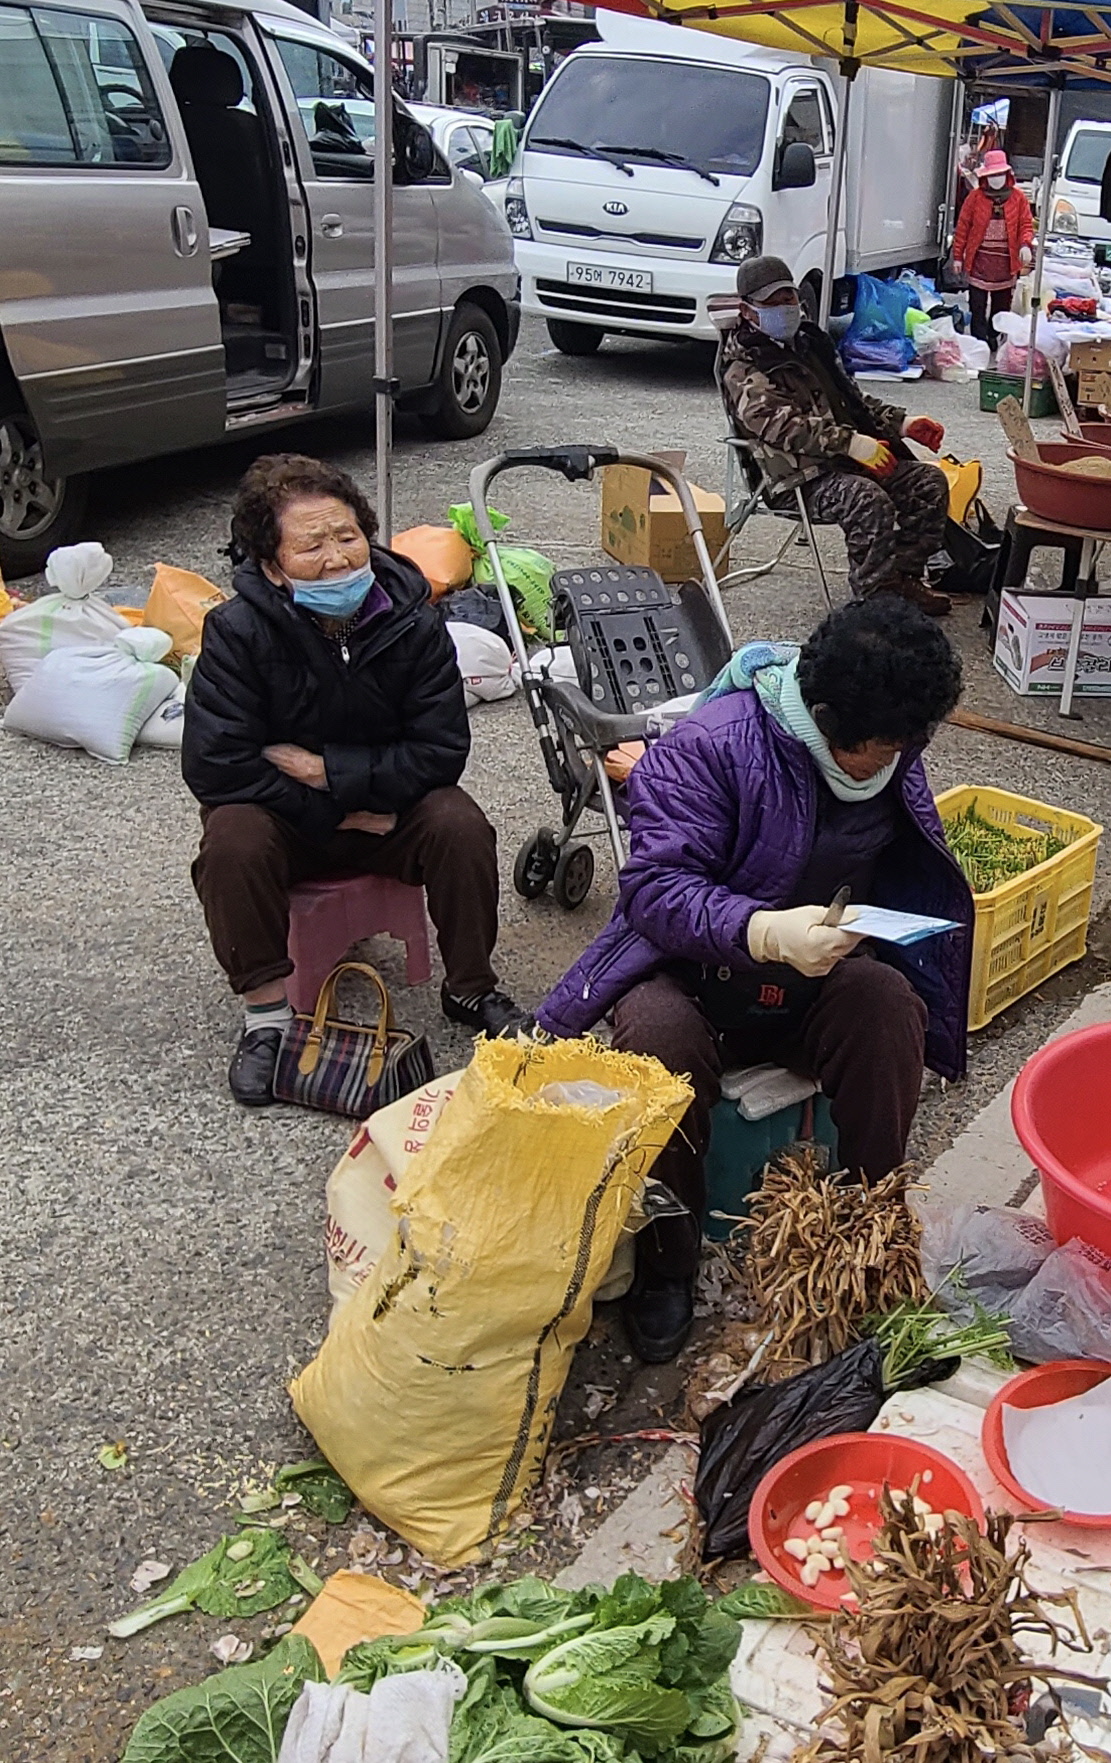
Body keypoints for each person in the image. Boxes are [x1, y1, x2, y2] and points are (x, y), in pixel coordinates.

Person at [535, 597, 971, 1362]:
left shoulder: (889, 742)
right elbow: (654, 890)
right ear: (827, 717)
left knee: (887, 1005)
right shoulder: (711, 745)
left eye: (913, 741)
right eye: (886, 745)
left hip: (811, 978)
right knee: (657, 1040)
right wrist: (761, 930)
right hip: (693, 973)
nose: (902, 757)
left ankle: (869, 1229)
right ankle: (667, 1263)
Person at [184, 454, 527, 1106]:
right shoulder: (237, 631)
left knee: (458, 822)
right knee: (230, 838)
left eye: (346, 536)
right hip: (296, 819)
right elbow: (216, 764)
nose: (337, 558)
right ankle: (266, 1019)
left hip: (387, 813)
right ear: (270, 563)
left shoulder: (412, 619)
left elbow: (441, 751)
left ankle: (471, 987)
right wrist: (335, 812)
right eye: (310, 545)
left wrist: (326, 771)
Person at [715, 255, 953, 616]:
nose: (785, 307)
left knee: (928, 481)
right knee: (865, 497)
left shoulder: (811, 345)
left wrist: (903, 423)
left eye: (788, 298)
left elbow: (852, 402)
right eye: (772, 302)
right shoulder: (743, 366)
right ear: (748, 311)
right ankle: (875, 602)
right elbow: (782, 425)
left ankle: (904, 579)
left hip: (847, 461)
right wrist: (851, 443)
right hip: (799, 477)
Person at [950, 148, 1034, 342]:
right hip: (980, 261)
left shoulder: (1018, 198)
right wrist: (957, 257)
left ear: (1007, 175)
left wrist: (1025, 245)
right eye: (993, 175)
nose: (996, 179)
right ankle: (979, 339)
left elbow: (1026, 225)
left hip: (1005, 263)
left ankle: (993, 335)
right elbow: (963, 227)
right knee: (977, 306)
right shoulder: (975, 198)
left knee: (1001, 306)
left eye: (1000, 175)